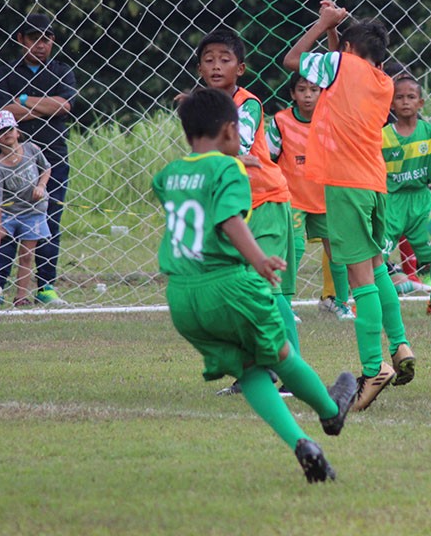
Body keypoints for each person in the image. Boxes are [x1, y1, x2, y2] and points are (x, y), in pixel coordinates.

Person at [152, 88, 356, 484]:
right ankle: (329, 410)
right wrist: (259, 259)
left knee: (249, 369)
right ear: (231, 131)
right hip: (225, 284)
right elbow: (229, 218)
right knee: (280, 354)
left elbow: (174, 197)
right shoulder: (230, 169)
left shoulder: (169, 174)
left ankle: (302, 444)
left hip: (181, 296)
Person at [283, 0, 414, 412]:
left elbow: (292, 60)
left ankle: (374, 368)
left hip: (345, 184)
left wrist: (323, 23)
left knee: (359, 279)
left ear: (349, 50)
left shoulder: (340, 66)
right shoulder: (383, 80)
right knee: (376, 266)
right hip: (373, 182)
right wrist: (340, 31)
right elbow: (341, 68)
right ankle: (400, 344)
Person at [190, 30, 300, 397]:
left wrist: (225, 153)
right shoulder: (201, 105)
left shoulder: (247, 103)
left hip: (265, 200)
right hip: (234, 210)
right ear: (199, 67)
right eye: (209, 59)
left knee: (269, 288)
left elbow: (234, 140)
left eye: (224, 59)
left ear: (241, 68)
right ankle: (256, 373)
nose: (216, 65)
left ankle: (293, 374)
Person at [0, 13, 75, 305]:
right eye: (34, 39)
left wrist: (22, 101)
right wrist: (45, 106)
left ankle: (45, 288)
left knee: (49, 223)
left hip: (52, 158)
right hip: (9, 161)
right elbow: (2, 110)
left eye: (46, 39)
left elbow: (65, 106)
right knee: (4, 223)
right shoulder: (4, 71)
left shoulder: (62, 70)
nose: (41, 45)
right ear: (21, 40)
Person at [267, 73, 353, 320]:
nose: (307, 95)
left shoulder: (332, 120)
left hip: (325, 196)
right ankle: (284, 304)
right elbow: (269, 157)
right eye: (302, 90)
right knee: (294, 248)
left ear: (322, 92)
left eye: (314, 90)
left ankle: (339, 301)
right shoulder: (281, 122)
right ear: (292, 94)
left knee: (336, 250)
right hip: (292, 197)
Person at [380, 74, 431, 316]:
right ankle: (371, 300)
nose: (405, 102)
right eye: (400, 97)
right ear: (391, 104)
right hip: (390, 201)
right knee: (375, 256)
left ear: (420, 103)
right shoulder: (382, 137)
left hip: (422, 201)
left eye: (411, 97)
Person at [0, 110, 51, 307]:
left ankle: (21, 297)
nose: (7, 134)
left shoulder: (31, 149)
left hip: (33, 213)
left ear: (17, 132)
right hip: (10, 214)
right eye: (1, 131)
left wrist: (41, 186)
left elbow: (47, 168)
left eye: (10, 129)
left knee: (27, 255)